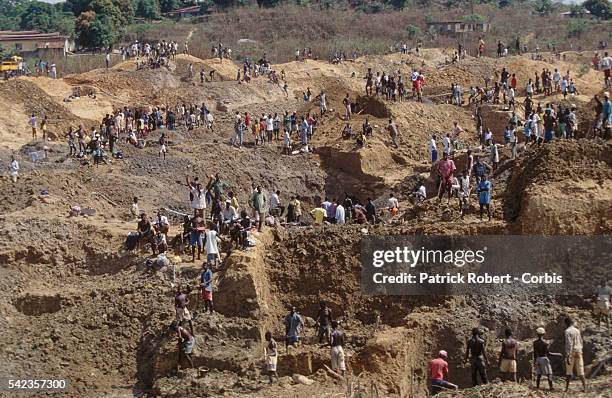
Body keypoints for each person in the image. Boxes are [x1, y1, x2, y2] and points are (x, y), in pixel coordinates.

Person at [564, 317, 587, 392]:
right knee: (580, 370)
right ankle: (585, 387)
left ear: (566, 323)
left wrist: (568, 355)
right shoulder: (577, 330)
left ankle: (567, 389)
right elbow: (581, 341)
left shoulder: (567, 331)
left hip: (572, 352)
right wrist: (580, 349)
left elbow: (569, 344)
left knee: (569, 371)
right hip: (579, 351)